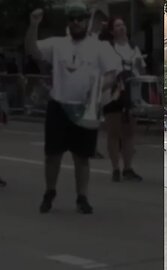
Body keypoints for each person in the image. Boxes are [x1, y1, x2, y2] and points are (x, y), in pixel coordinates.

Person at [25, 1, 120, 214]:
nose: (76, 22)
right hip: (59, 106)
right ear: (68, 21)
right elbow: (32, 50)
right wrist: (33, 25)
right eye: (72, 18)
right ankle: (50, 192)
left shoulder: (99, 46)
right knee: (52, 155)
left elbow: (112, 73)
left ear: (86, 20)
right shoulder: (58, 44)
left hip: (85, 109)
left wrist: (96, 89)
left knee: (82, 157)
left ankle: (82, 197)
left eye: (80, 18)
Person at [100, 16, 145, 182]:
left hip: (131, 95)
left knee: (129, 133)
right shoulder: (107, 47)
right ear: (112, 30)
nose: (121, 28)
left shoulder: (133, 47)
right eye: (117, 26)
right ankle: (115, 169)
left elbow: (141, 68)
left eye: (123, 25)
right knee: (113, 132)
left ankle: (128, 168)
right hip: (113, 95)